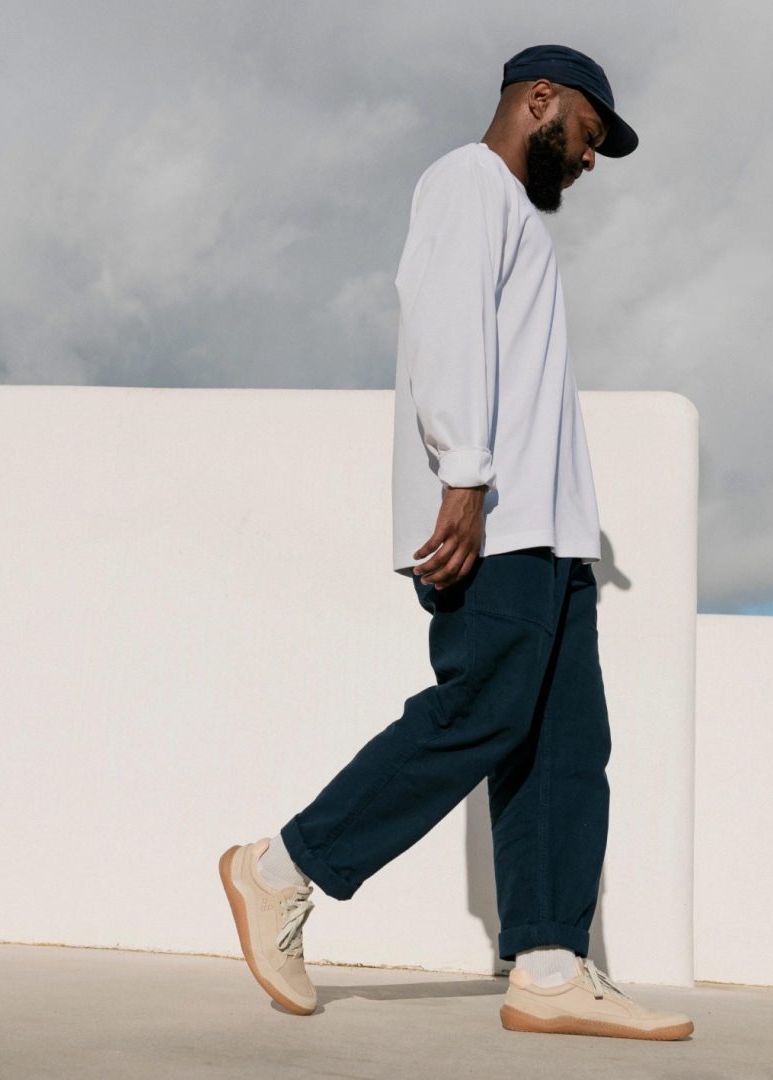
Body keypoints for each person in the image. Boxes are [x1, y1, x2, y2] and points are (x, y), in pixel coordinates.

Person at [219, 44, 692, 1041]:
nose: (591, 161)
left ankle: (553, 968)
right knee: (482, 711)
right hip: (495, 522)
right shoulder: (466, 183)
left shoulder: (517, 213)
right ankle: (281, 870)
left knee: (568, 745)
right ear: (540, 99)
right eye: (589, 138)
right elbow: (445, 332)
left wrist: (575, 534)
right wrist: (465, 479)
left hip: (548, 534)